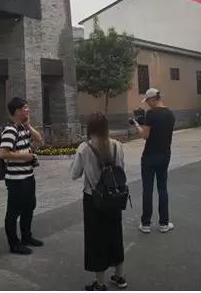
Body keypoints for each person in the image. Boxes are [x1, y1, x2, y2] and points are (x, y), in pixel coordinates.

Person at [71, 112, 127, 291]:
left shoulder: (84, 148)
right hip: (114, 197)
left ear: (90, 128)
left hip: (93, 199)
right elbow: (121, 170)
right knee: (115, 234)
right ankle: (119, 277)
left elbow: (74, 174)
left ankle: (100, 283)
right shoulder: (117, 145)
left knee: (96, 240)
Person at [0, 97, 43, 255]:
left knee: (29, 207)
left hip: (28, 176)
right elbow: (3, 153)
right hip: (16, 180)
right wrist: (25, 157)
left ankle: (26, 237)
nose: (28, 110)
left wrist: (29, 126)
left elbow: (39, 139)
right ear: (17, 111)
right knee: (13, 212)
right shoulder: (10, 130)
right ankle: (14, 244)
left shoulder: (23, 128)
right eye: (25, 108)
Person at [132, 88, 175, 234]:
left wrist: (137, 125)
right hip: (165, 155)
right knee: (162, 188)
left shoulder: (150, 114)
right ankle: (164, 223)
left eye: (148, 101)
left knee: (148, 190)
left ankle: (146, 224)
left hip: (149, 156)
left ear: (153, 99)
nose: (147, 104)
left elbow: (145, 136)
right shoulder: (170, 114)